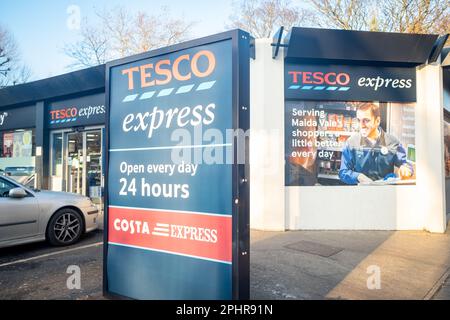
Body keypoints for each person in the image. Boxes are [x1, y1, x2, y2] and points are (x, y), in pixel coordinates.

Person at [339, 102, 413, 185]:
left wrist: (406, 169)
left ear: (377, 121)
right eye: (359, 120)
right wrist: (358, 176)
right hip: (360, 193)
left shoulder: (393, 142)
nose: (361, 125)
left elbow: (405, 164)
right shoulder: (351, 143)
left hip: (385, 193)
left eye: (366, 120)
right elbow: (343, 172)